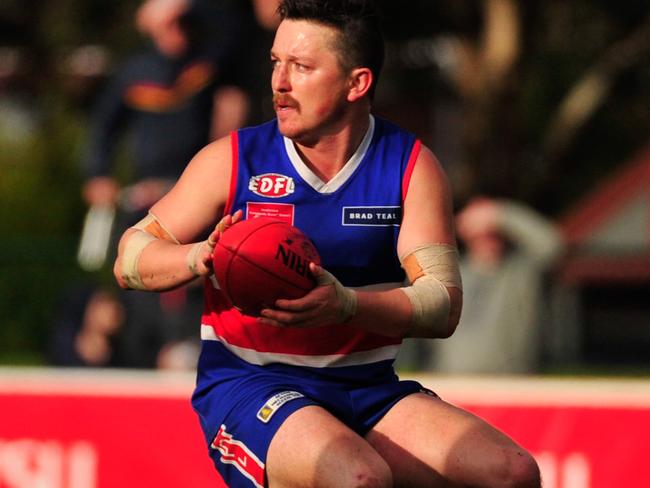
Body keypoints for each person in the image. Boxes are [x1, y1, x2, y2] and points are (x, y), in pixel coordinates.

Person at [113, 1, 542, 486]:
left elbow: (442, 305)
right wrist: (200, 256)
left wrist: (346, 306)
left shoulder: (410, 167)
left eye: (301, 66)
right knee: (357, 477)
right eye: (276, 62)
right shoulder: (232, 160)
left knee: (512, 473)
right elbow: (130, 257)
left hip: (366, 388)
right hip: (254, 385)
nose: (280, 82)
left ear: (357, 83)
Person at [79, 0, 249, 369]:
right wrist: (97, 174)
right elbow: (102, 129)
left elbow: (238, 30)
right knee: (134, 282)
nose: (176, 30)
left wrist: (188, 6)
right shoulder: (134, 72)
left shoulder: (205, 64)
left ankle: (184, 351)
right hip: (144, 201)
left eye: (182, 23)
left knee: (195, 282)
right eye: (168, 23)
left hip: (198, 202)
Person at [430, 196, 564, 375]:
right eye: (479, 230)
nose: (487, 237)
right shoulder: (448, 273)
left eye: (493, 231)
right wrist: (446, 225)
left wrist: (501, 214)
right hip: (451, 383)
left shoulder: (521, 272)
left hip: (508, 386)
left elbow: (553, 246)